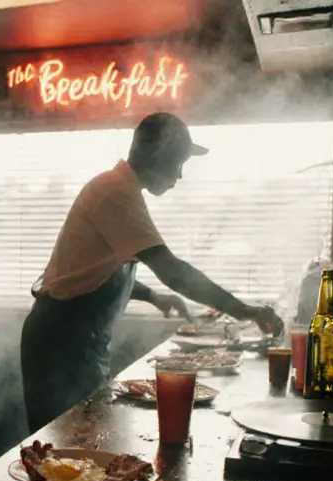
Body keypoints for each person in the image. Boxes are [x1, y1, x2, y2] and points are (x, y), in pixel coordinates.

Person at [20, 112, 285, 431]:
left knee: (86, 441)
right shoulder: (115, 191)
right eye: (179, 162)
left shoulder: (121, 189)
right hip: (61, 344)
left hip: (76, 343)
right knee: (64, 451)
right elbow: (171, 269)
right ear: (159, 154)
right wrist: (242, 309)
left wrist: (151, 295)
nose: (180, 175)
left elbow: (95, 270)